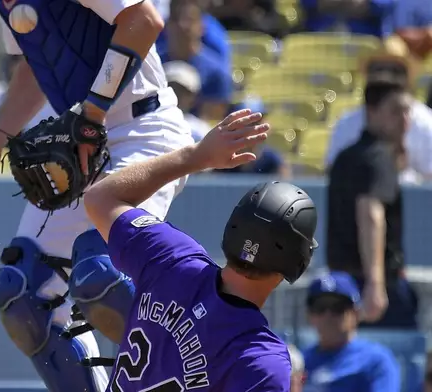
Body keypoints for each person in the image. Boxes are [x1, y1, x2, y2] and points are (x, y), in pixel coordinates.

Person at [0, 0, 196, 390]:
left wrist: (92, 113)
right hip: (80, 141)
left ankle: (206, 366)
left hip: (142, 129)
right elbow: (35, 65)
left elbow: (144, 21)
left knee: (101, 277)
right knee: (23, 294)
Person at [83, 109, 319, 391]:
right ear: (296, 262)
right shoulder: (261, 359)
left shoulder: (172, 256)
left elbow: (100, 197)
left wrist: (195, 157)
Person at [327, 79, 418, 329]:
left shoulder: (346, 157)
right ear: (371, 111)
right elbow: (370, 213)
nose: (405, 119)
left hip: (343, 283)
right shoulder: (379, 157)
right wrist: (375, 283)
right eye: (395, 111)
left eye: (408, 111)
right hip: (375, 285)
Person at [325, 36, 432, 181]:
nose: (385, 77)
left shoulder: (426, 122)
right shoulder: (347, 123)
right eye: (378, 69)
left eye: (395, 71)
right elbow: (335, 175)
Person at [302, 272, 401, 392]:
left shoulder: (375, 360)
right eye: (320, 308)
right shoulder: (300, 361)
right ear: (310, 315)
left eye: (337, 307)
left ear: (356, 313)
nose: (328, 315)